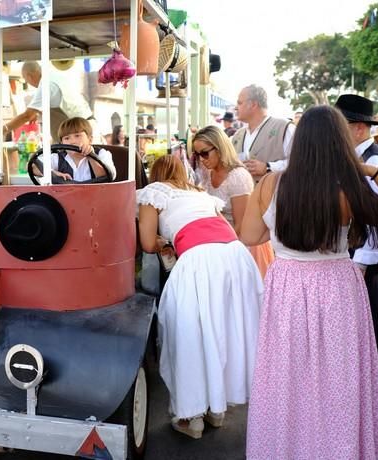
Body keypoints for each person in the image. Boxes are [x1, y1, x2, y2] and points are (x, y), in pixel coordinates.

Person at [241, 105, 378, 458]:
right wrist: (371, 170)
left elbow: (249, 234)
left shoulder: (270, 184)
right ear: (339, 143)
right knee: (338, 383)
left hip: (286, 288)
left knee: (287, 380)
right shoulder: (348, 192)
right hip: (337, 288)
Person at [137, 155, 262, 439]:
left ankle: (191, 417)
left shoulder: (152, 193)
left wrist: (165, 241)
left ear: (155, 174)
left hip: (198, 261)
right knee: (224, 331)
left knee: (189, 335)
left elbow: (146, 243)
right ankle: (216, 410)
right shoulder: (201, 194)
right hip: (235, 258)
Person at [336, 94, 378, 379]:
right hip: (362, 256)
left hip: (374, 259)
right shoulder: (354, 156)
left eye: (340, 125)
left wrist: (361, 265)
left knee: (371, 328)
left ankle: (376, 397)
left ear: (359, 128)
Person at [192, 126, 274, 277]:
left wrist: (213, 246)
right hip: (220, 242)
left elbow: (241, 226)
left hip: (239, 245)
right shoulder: (207, 173)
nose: (201, 159)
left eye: (204, 153)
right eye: (197, 155)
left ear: (220, 148)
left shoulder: (238, 177)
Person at [3, 61, 99, 142]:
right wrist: (38, 112)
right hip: (85, 126)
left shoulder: (45, 84)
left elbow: (27, 115)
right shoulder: (54, 76)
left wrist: (5, 129)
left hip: (79, 133)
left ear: (29, 76)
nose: (28, 83)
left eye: (26, 80)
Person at [231, 84, 295, 179]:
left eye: (240, 103)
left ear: (253, 104)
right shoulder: (237, 135)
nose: (236, 108)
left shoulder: (284, 128)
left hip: (275, 192)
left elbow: (299, 161)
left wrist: (268, 167)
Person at [32, 117, 116, 182]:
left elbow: (107, 176)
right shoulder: (58, 158)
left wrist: (91, 156)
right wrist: (53, 174)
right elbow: (33, 167)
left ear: (90, 139)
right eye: (67, 138)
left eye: (77, 136)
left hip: (96, 199)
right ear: (62, 143)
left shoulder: (102, 154)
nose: (72, 141)